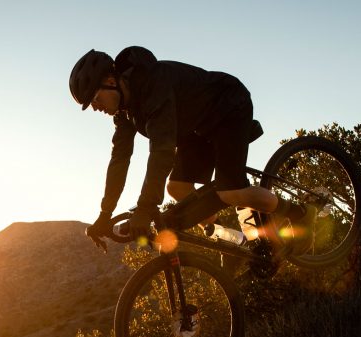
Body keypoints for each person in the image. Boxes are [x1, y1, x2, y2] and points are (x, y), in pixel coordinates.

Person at [69, 47, 316, 254]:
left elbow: (162, 151)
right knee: (176, 188)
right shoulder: (125, 113)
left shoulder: (153, 84)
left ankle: (302, 214)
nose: (94, 107)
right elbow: (119, 160)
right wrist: (105, 213)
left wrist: (146, 208)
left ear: (110, 82)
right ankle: (229, 237)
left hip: (228, 106)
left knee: (231, 191)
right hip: (195, 129)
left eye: (95, 99)